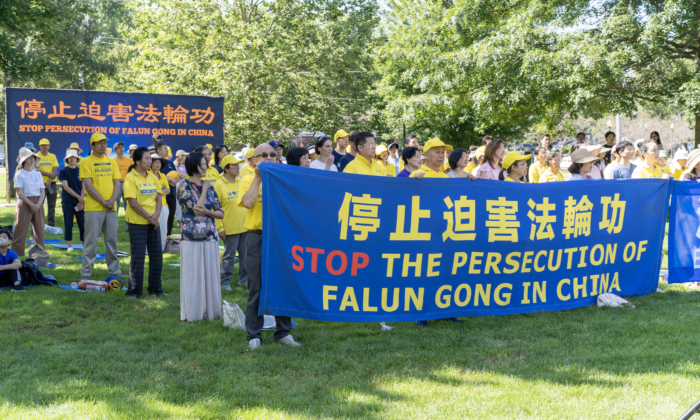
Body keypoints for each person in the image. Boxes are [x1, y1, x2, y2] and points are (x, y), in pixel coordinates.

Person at [240, 144, 299, 348]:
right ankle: (254, 335)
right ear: (255, 160)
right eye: (263, 155)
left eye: (272, 155)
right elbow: (247, 203)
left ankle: (283, 332)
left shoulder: (283, 179)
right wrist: (257, 177)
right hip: (257, 236)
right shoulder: (247, 179)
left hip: (281, 238)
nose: (268, 157)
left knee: (283, 284)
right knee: (256, 286)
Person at [409, 138, 466, 327]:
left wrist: (471, 184)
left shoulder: (446, 177)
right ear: (426, 154)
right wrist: (414, 186)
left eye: (444, 152)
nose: (442, 155)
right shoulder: (417, 175)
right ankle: (421, 314)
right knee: (425, 273)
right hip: (425, 234)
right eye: (437, 151)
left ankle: (445, 309)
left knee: (446, 272)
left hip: (446, 232)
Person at [178, 152, 224, 321]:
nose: (206, 167)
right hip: (191, 238)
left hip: (210, 236)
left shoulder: (211, 187)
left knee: (210, 275)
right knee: (193, 276)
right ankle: (194, 313)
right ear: (193, 166)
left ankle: (211, 312)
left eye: (206, 164)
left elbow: (220, 213)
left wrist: (209, 212)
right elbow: (198, 208)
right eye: (202, 164)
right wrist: (204, 189)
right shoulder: (183, 186)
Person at [79, 133, 125, 280]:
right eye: (99, 143)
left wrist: (112, 200)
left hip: (111, 208)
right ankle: (86, 272)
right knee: (91, 241)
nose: (103, 145)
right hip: (94, 208)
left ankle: (115, 270)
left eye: (104, 142)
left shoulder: (111, 162)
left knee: (112, 240)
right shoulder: (86, 162)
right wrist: (103, 201)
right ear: (92, 146)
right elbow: (88, 185)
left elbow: (117, 183)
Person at [123, 147, 165, 299]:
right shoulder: (130, 178)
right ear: (137, 161)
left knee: (156, 256)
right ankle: (134, 290)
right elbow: (132, 202)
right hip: (137, 222)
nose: (150, 161)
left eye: (150, 158)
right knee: (138, 257)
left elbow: (159, 197)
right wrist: (149, 216)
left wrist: (156, 215)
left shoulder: (152, 177)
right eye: (147, 159)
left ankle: (156, 288)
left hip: (153, 221)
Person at [214, 154, 248, 290]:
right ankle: (224, 282)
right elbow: (215, 208)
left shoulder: (242, 182)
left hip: (245, 226)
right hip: (229, 227)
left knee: (245, 256)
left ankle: (244, 280)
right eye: (234, 165)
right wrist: (220, 228)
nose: (237, 167)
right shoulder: (218, 185)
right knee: (229, 256)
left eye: (238, 164)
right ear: (226, 168)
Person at [12, 149, 45, 256]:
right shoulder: (19, 174)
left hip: (38, 202)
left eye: (33, 157)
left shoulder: (38, 174)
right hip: (24, 202)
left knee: (40, 232)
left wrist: (38, 204)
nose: (32, 159)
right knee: (20, 231)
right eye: (29, 158)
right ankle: (16, 256)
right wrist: (32, 205)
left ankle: (40, 255)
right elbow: (20, 192)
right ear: (23, 160)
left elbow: (42, 191)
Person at [58, 150, 85, 252]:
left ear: (77, 159)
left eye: (74, 157)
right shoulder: (63, 171)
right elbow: (66, 187)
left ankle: (84, 246)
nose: (72, 159)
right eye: (70, 157)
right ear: (67, 159)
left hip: (80, 202)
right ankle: (69, 246)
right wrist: (79, 198)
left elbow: (84, 186)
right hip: (68, 202)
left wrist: (81, 201)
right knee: (68, 224)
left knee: (82, 224)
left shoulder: (81, 170)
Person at [155, 142, 179, 236]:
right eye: (165, 148)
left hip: (172, 192)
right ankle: (159, 236)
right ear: (159, 151)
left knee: (171, 216)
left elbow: (176, 175)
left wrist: (174, 181)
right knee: (161, 216)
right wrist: (169, 179)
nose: (167, 150)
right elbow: (157, 176)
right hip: (162, 194)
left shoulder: (170, 162)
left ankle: (168, 236)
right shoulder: (155, 163)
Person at [35, 138, 59, 227]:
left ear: (49, 146)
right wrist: (50, 175)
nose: (44, 147)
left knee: (52, 205)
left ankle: (51, 223)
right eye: (42, 145)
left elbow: (55, 170)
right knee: (39, 204)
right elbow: (37, 170)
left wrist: (49, 180)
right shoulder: (36, 156)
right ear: (39, 146)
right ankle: (39, 222)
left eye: (46, 145)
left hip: (51, 184)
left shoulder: (53, 156)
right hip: (40, 184)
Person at [150, 154, 171, 251]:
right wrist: (161, 191)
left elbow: (168, 190)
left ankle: (162, 249)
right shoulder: (147, 175)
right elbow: (149, 192)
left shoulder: (162, 175)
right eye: (155, 162)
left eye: (159, 162)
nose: (158, 164)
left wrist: (156, 192)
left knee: (163, 228)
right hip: (150, 205)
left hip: (163, 205)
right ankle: (148, 249)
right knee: (150, 228)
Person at [112, 142, 133, 215]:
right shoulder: (113, 161)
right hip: (117, 184)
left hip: (128, 184)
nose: (121, 149)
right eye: (119, 148)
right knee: (115, 205)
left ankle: (129, 225)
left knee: (128, 206)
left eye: (122, 147)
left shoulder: (130, 160)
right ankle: (114, 225)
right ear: (115, 150)